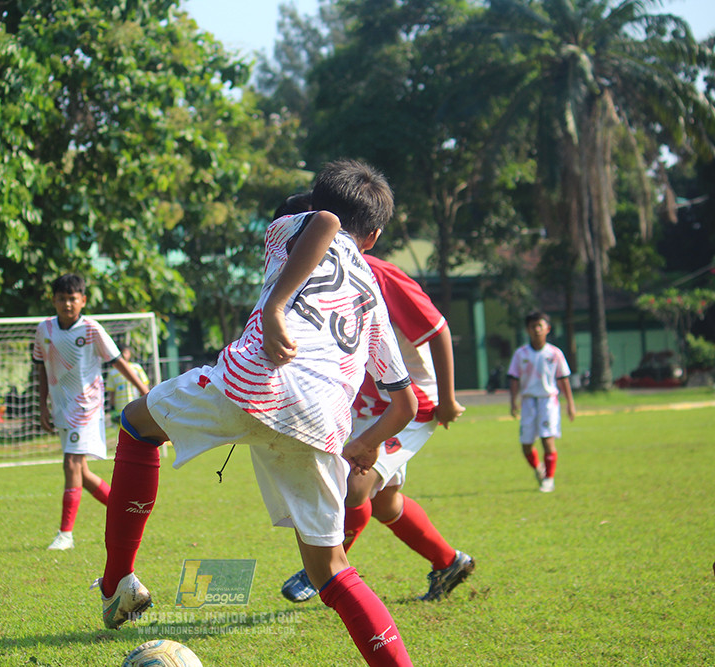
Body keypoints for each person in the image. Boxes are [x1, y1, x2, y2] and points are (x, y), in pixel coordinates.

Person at [94, 159, 419, 666]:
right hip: (323, 419)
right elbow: (406, 404)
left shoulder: (294, 224)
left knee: (137, 425)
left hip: (255, 381)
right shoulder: (373, 298)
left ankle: (118, 582)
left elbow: (326, 222)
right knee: (333, 572)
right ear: (374, 237)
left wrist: (274, 308)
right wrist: (366, 442)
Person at [275, 194, 474, 604]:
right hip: (366, 404)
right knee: (385, 503)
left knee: (355, 485)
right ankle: (448, 561)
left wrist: (448, 399)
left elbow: (437, 329)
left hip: (412, 402)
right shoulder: (302, 278)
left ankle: (322, 570)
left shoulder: (379, 275)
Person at [32, 274, 150, 550]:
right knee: (81, 473)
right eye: (62, 298)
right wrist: (42, 405)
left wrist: (145, 390)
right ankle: (128, 514)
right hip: (61, 406)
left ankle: (65, 535)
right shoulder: (44, 330)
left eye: (72, 299)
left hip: (86, 406)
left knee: (71, 464)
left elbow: (117, 361)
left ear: (83, 300)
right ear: (53, 300)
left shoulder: (91, 329)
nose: (67, 304)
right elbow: (40, 367)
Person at [507, 310, 576, 493]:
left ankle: (549, 479)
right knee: (526, 446)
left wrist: (570, 403)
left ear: (548, 329)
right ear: (527, 330)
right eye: (533, 326)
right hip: (528, 402)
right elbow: (514, 378)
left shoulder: (555, 353)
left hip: (548, 402)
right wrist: (513, 401)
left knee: (547, 440)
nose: (537, 330)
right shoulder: (520, 354)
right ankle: (539, 469)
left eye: (540, 326)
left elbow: (563, 379)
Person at [105, 346, 150, 422]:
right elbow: (112, 391)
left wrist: (145, 401)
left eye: (125, 353)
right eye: (121, 353)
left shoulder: (136, 368)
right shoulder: (113, 372)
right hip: (121, 408)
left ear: (130, 354)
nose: (123, 355)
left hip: (136, 405)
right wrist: (112, 407)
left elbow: (145, 384)